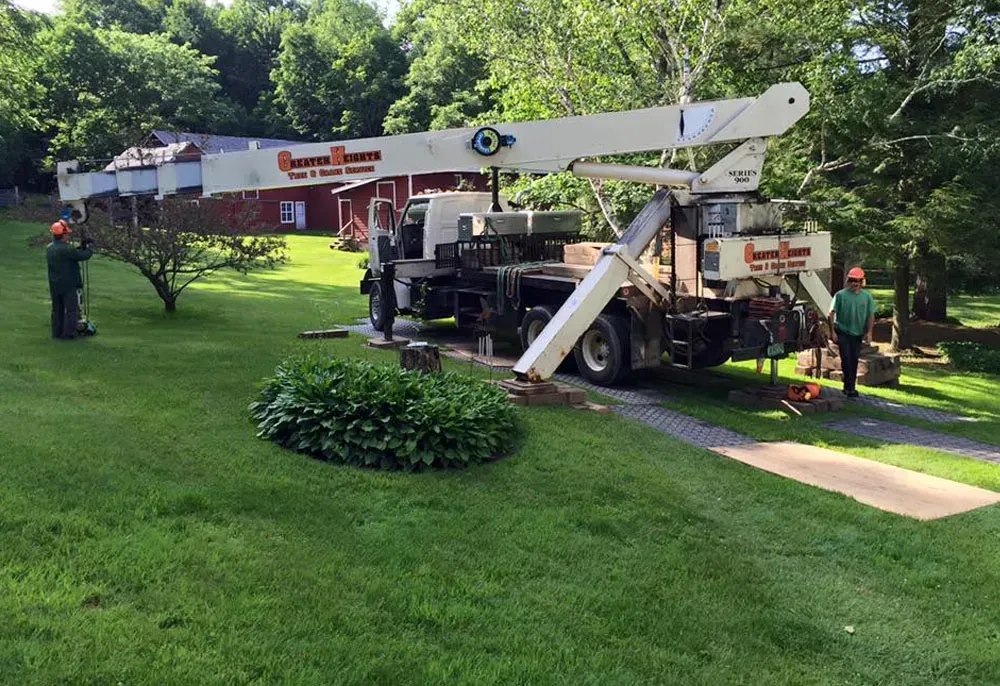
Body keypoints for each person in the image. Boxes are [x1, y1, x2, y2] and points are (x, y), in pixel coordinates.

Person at [828, 266, 875, 398]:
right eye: (853, 280)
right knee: (846, 358)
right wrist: (833, 332)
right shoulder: (840, 295)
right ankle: (847, 386)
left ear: (862, 282)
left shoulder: (867, 297)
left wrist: (869, 332)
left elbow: (871, 315)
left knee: (854, 360)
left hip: (857, 333)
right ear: (849, 281)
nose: (855, 284)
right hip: (842, 330)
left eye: (858, 281)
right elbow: (830, 314)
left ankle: (851, 388)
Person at [47, 219, 93, 340]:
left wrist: (80, 247)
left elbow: (71, 255)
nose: (69, 236)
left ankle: (57, 333)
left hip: (55, 284)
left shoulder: (50, 248)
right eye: (67, 234)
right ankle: (69, 334)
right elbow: (82, 256)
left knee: (57, 310)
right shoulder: (66, 249)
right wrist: (88, 247)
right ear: (63, 235)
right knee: (72, 310)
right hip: (68, 284)